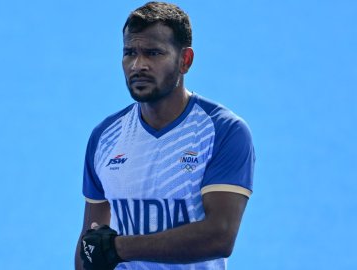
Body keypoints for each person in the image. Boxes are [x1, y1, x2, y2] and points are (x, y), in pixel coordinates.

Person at [75, 2, 255, 269]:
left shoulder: (223, 131)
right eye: (129, 52)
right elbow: (89, 250)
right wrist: (99, 253)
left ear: (185, 60)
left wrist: (119, 248)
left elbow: (220, 235)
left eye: (153, 53)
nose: (138, 65)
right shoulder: (105, 137)